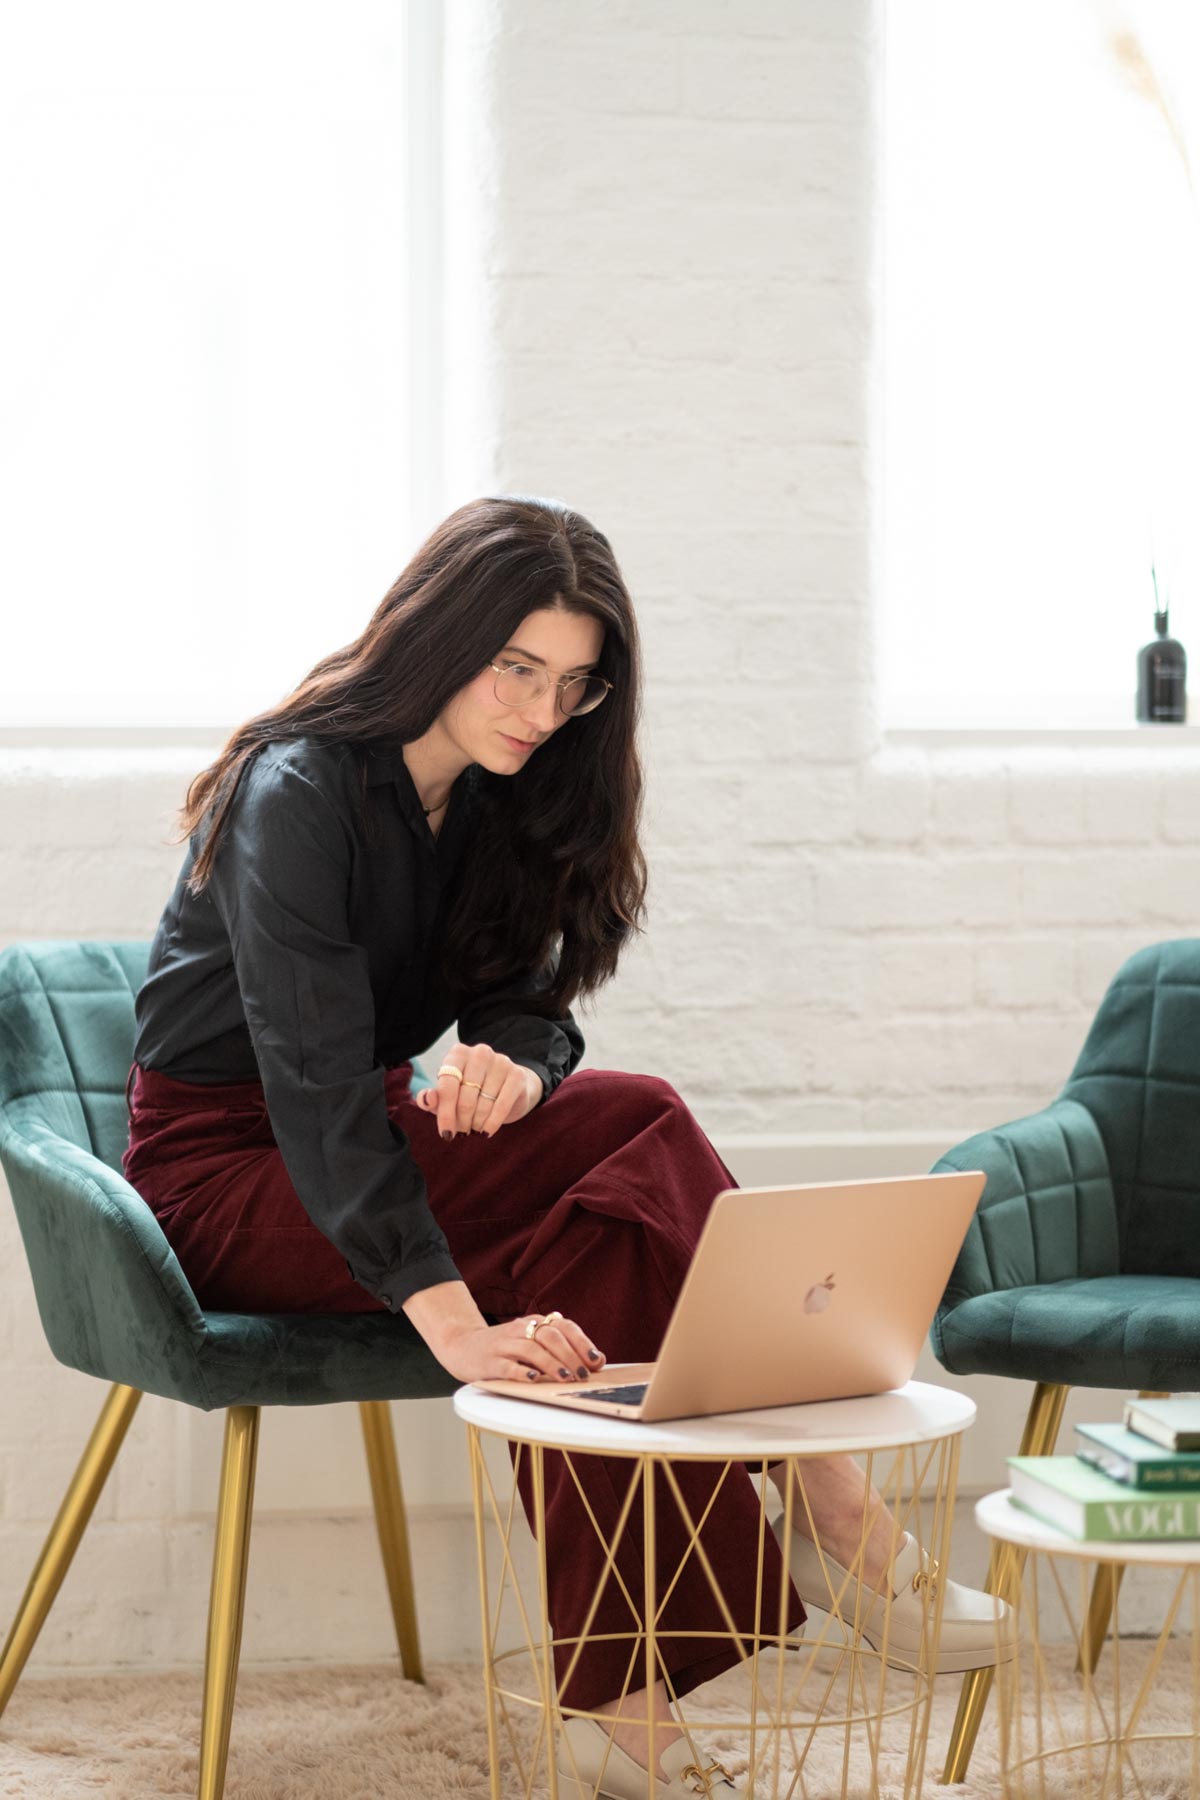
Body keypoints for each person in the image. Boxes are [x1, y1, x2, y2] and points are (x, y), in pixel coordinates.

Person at [122, 496, 1007, 1800]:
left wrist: (516, 1076)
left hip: (357, 1130)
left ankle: (619, 1708)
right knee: (643, 1123)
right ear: (441, 637)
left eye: (573, 686)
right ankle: (830, 1494)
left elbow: (533, 1014)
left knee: (605, 1235)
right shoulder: (296, 788)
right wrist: (457, 1330)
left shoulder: (495, 796)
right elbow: (310, 1086)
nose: (540, 712)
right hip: (223, 1177)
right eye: (516, 668)